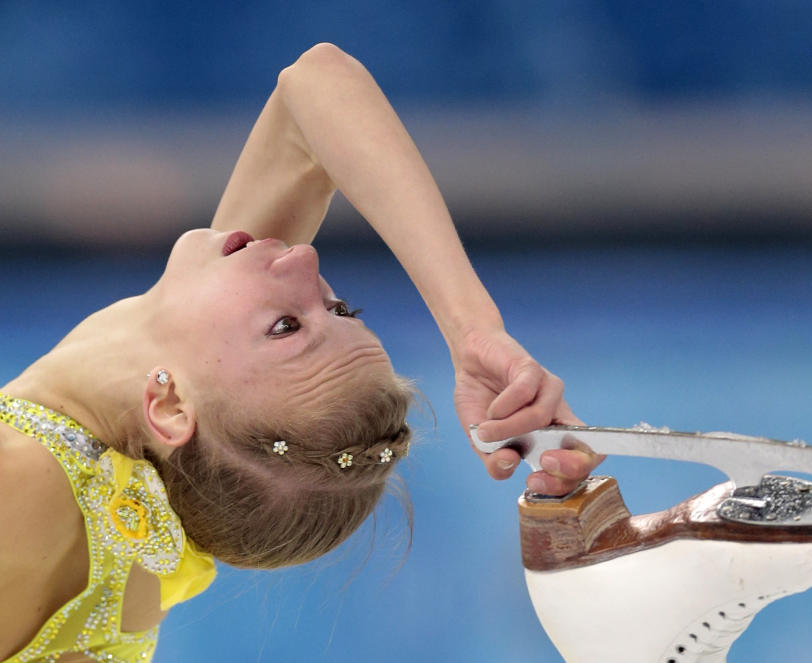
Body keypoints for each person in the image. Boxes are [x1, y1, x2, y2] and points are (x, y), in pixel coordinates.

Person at [0, 43, 600, 663]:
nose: (304, 258)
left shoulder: (23, 482)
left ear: (172, 405)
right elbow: (314, 89)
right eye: (343, 311)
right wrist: (474, 331)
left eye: (286, 326)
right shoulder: (149, 484)